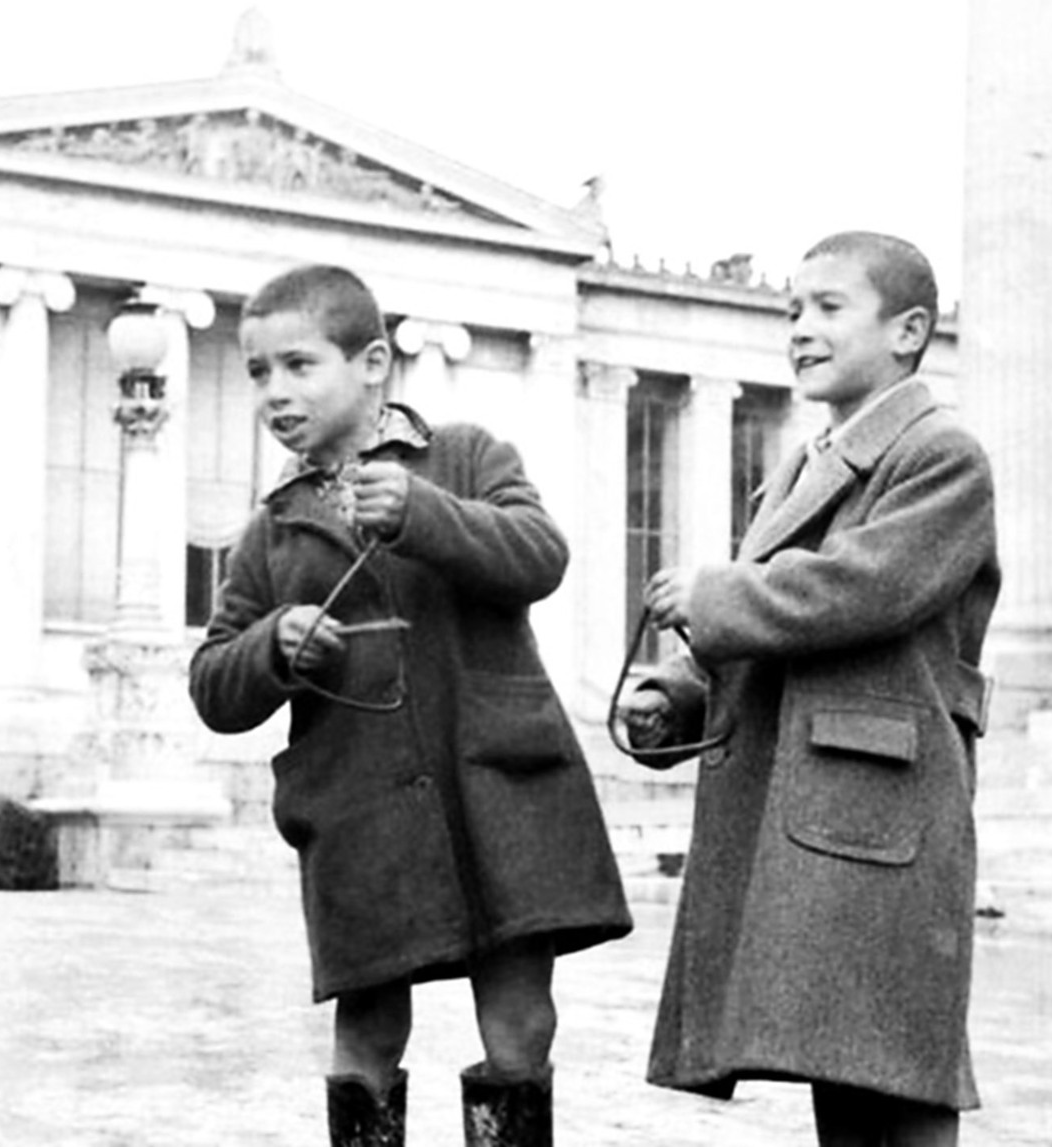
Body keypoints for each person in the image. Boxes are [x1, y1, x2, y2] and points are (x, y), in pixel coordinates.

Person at [189, 264, 632, 1147]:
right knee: (367, 1024)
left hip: (499, 788)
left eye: (300, 365)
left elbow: (541, 554)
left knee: (519, 1015)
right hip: (358, 812)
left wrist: (426, 512)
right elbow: (212, 684)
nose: (275, 392)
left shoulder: (463, 456)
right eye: (259, 372)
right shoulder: (269, 530)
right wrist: (273, 643)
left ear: (373, 363)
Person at [617, 231, 1000, 1147]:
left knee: (898, 1069)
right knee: (844, 1063)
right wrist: (680, 694)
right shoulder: (799, 466)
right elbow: (776, 645)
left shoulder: (942, 454)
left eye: (829, 307)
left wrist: (715, 597)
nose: (799, 327)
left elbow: (862, 588)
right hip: (826, 800)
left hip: (887, 804)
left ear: (908, 331)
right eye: (793, 309)